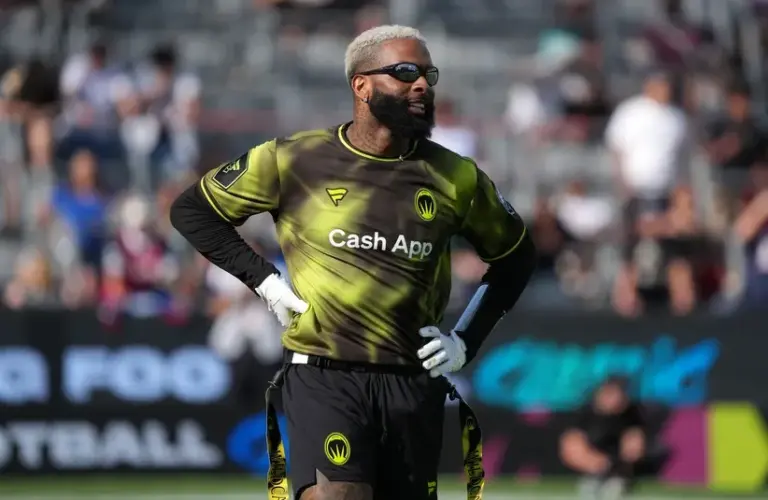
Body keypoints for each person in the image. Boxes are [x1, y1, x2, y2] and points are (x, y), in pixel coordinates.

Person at [170, 25, 536, 500]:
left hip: (412, 380)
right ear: (361, 85)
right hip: (324, 372)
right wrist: (265, 281)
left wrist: (465, 339)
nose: (422, 84)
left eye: (428, 74)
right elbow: (193, 211)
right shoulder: (294, 159)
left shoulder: (456, 176)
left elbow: (516, 257)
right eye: (405, 72)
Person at [559, 377, 647, 500]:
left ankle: (619, 479)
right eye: (609, 394)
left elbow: (635, 446)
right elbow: (570, 445)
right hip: (592, 462)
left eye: (618, 394)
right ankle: (595, 479)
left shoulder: (631, 414)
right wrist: (594, 463)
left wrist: (618, 465)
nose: (613, 399)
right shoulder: (584, 413)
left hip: (617, 464)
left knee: (633, 446)